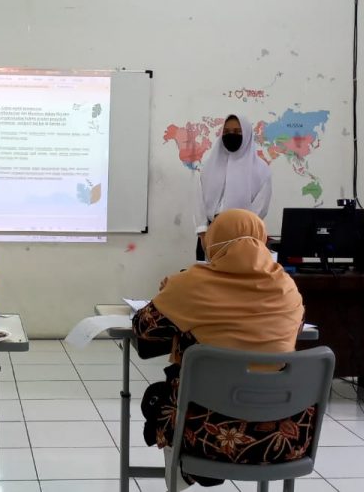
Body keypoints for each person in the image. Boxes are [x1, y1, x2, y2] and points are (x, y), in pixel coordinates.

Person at [134, 209, 309, 487]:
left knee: (156, 397)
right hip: (283, 434)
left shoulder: (189, 283)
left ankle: (191, 469)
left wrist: (169, 293)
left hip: (207, 433)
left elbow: (144, 327)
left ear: (213, 242)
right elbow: (295, 331)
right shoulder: (287, 288)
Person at [195, 114, 272, 260]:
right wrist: (204, 235)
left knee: (236, 281)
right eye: (226, 132)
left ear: (247, 135)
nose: (231, 136)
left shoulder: (261, 171)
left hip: (243, 238)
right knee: (207, 280)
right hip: (209, 235)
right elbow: (199, 203)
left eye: (237, 132)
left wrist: (240, 237)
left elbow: (258, 211)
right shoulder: (210, 166)